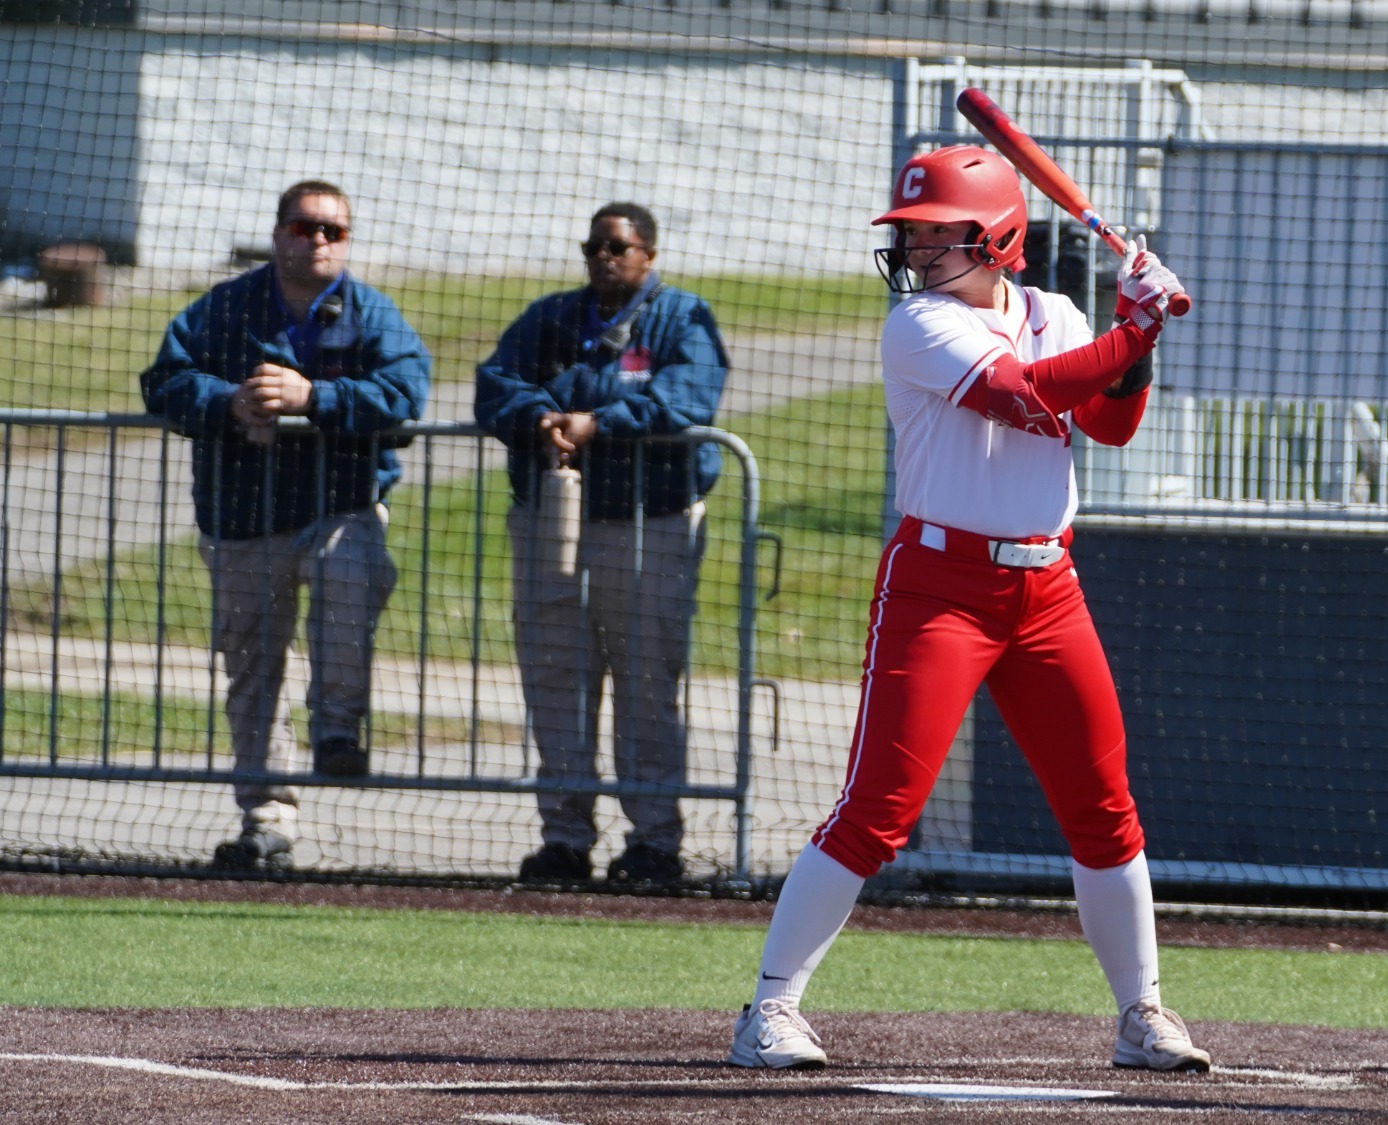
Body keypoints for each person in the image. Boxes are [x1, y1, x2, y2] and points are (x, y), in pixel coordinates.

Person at [726, 145, 1209, 1073]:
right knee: (879, 810)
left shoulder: (1054, 314)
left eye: (932, 232)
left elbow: (1107, 421)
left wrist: (1126, 339)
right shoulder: (916, 323)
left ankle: (1140, 1012)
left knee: (1104, 807)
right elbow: (1022, 396)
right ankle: (770, 1008)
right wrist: (1138, 330)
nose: (911, 250)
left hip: (1047, 588)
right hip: (939, 587)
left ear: (995, 237)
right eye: (907, 234)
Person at [141, 180, 430, 871]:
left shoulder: (370, 312)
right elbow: (164, 381)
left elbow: (406, 392)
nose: (320, 241)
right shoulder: (226, 307)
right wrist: (228, 400)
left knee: (351, 582)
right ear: (278, 235)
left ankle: (337, 731)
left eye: (335, 231)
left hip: (339, 506)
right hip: (241, 517)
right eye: (306, 228)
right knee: (251, 668)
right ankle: (266, 818)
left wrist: (315, 397)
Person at [474, 202, 729, 888]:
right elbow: (494, 385)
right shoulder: (551, 317)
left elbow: (687, 399)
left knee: (645, 683)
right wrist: (540, 418)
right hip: (551, 520)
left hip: (649, 524)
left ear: (649, 254)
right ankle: (563, 839)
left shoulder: (682, 319)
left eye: (618, 246)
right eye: (594, 245)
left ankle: (653, 843)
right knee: (556, 678)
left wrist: (599, 423)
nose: (603, 257)